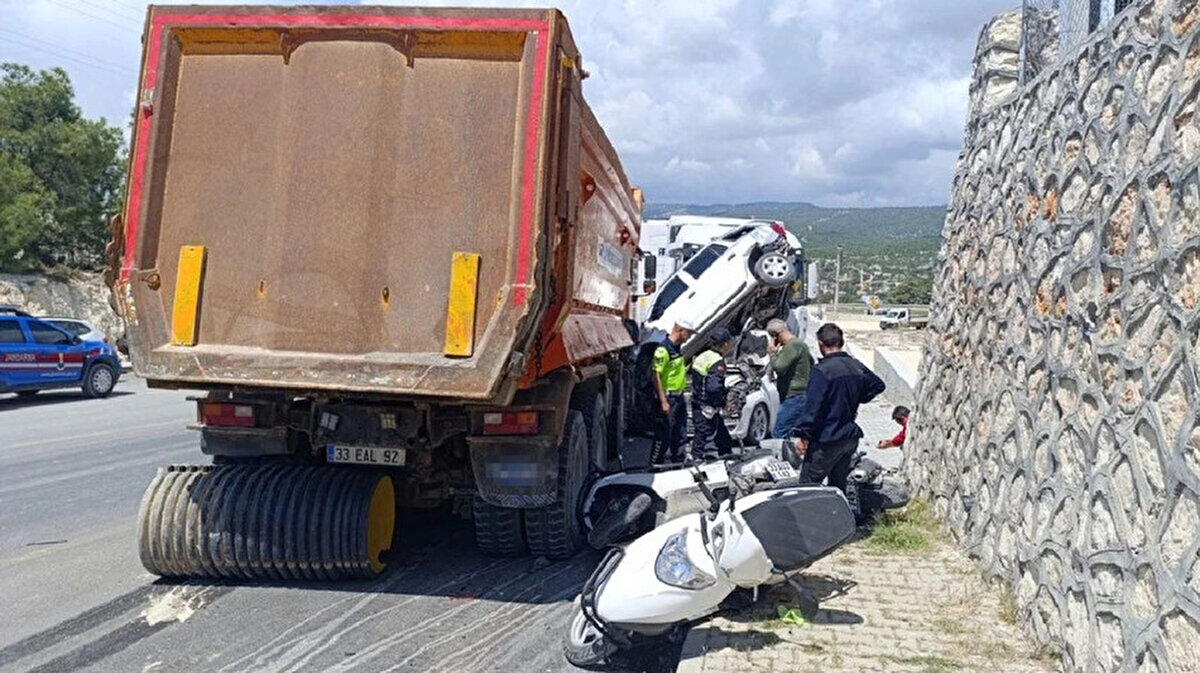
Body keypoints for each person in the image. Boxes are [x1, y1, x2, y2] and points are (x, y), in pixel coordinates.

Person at [792, 323, 886, 495]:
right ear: (841, 342)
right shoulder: (856, 365)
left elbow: (813, 408)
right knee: (838, 486)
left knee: (807, 488)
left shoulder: (822, 371)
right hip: (849, 438)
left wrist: (804, 437)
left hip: (827, 439)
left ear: (820, 343)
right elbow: (878, 385)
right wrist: (860, 397)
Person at [649, 320, 694, 464]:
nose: (690, 337)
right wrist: (663, 401)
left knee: (680, 434)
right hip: (668, 398)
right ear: (680, 331)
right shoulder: (663, 350)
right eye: (689, 333)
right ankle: (655, 465)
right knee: (663, 436)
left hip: (678, 397)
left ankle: (678, 463)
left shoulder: (677, 348)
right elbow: (656, 376)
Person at [690, 327, 735, 460]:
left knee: (721, 436)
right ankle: (697, 461)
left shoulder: (702, 356)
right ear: (725, 344)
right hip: (708, 405)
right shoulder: (717, 361)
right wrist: (723, 403)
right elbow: (714, 388)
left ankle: (726, 456)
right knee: (703, 436)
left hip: (698, 401)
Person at [766, 318, 813, 439]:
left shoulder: (793, 346)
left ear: (776, 335)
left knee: (779, 432)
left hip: (793, 396)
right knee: (791, 432)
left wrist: (772, 353)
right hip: (798, 395)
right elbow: (812, 362)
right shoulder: (800, 345)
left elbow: (779, 367)